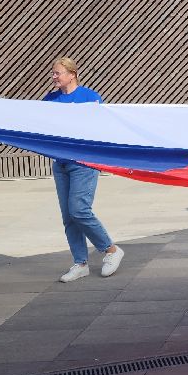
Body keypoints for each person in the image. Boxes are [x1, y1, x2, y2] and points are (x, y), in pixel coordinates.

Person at [44, 57, 125, 282]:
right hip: (60, 163)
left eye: (57, 73)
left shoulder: (90, 98)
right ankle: (80, 263)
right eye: (53, 72)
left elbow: (101, 128)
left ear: (72, 74)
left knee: (79, 210)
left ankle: (110, 250)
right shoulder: (50, 100)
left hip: (84, 163)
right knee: (69, 217)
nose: (53, 76)